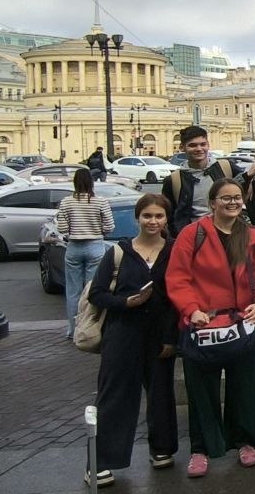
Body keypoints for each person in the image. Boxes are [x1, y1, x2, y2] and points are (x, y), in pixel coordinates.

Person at [165, 178, 255, 478]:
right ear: (212, 202)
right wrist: (192, 310)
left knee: (244, 387)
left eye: (236, 198)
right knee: (201, 390)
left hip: (242, 323)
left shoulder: (251, 237)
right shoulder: (192, 235)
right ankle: (201, 449)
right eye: (225, 198)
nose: (232, 202)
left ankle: (245, 442)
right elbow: (177, 278)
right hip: (202, 325)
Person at [84, 194, 178, 488]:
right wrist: (127, 302)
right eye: (147, 216)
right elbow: (97, 294)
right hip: (122, 332)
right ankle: (100, 462)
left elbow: (179, 296)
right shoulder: (119, 252)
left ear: (166, 219)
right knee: (115, 396)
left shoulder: (174, 251)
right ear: (138, 218)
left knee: (161, 392)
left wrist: (171, 336)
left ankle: (162, 449)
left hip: (160, 334)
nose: (153, 222)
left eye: (159, 216)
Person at [58, 168, 116, 339]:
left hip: (74, 247)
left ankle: (72, 329)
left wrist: (72, 233)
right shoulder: (100, 202)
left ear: (74, 182)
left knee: (73, 291)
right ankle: (91, 326)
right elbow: (110, 226)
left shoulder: (67, 202)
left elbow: (61, 228)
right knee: (92, 290)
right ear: (91, 182)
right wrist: (99, 231)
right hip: (95, 246)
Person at [162, 125, 235, 235]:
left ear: (208, 145)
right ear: (182, 147)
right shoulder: (174, 180)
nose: (199, 149)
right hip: (194, 238)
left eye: (203, 144)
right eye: (193, 145)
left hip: (228, 234)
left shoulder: (226, 167)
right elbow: (168, 215)